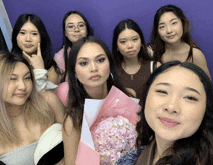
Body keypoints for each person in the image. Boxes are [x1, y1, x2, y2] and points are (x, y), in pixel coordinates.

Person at [116, 60, 213, 165]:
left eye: (189, 97)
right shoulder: (128, 160)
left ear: (207, 109)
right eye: (162, 91)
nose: (171, 107)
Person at [61, 36, 132, 165]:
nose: (93, 68)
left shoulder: (128, 95)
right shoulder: (73, 119)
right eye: (84, 63)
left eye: (100, 60)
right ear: (74, 72)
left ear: (110, 64)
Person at [0, 51, 65, 165]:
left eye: (27, 78)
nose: (23, 86)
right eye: (13, 79)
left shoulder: (49, 102)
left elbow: (76, 140)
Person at [149, 4, 211, 79]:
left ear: (183, 23)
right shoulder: (152, 52)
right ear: (157, 31)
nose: (169, 30)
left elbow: (208, 88)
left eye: (174, 23)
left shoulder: (195, 54)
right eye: (162, 26)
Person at [11, 14, 60, 92]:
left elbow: (46, 99)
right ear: (15, 36)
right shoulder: (7, 63)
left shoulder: (51, 68)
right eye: (23, 33)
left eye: (34, 34)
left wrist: (39, 70)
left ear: (41, 38)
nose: (28, 39)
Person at [112, 19, 152, 98]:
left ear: (141, 42)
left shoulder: (154, 67)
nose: (130, 46)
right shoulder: (112, 73)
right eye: (123, 42)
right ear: (117, 46)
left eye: (134, 39)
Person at [54, 11, 94, 82]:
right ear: (65, 33)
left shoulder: (98, 50)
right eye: (70, 26)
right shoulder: (60, 58)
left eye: (81, 25)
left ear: (87, 30)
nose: (76, 29)